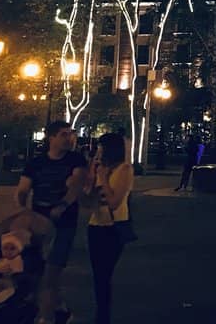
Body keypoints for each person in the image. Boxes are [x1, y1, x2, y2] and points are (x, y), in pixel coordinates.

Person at [17, 120, 87, 324]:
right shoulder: (36, 163)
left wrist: (63, 205)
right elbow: (23, 189)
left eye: (71, 134)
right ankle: (59, 309)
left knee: (51, 271)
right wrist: (23, 210)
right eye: (64, 134)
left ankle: (46, 317)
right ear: (51, 137)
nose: (69, 138)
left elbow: (76, 186)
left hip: (64, 223)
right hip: (39, 222)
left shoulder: (75, 160)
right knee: (37, 271)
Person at [85, 132, 135, 324]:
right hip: (95, 226)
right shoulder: (99, 168)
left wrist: (104, 178)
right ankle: (101, 314)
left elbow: (114, 202)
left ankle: (103, 316)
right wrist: (92, 177)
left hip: (113, 227)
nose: (98, 150)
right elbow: (89, 200)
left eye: (101, 147)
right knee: (98, 275)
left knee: (104, 274)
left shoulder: (125, 169)